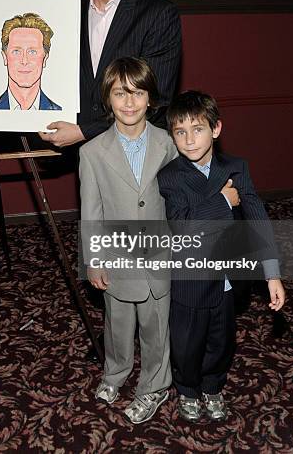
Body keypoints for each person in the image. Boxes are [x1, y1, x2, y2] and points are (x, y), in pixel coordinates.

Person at [158, 90, 285, 422]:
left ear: (216, 129)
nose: (189, 139)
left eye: (197, 129)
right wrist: (225, 202)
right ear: (172, 136)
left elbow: (258, 218)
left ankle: (213, 386)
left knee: (221, 340)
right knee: (186, 343)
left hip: (228, 279)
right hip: (190, 277)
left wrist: (271, 273)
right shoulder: (170, 176)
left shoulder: (236, 167)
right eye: (180, 132)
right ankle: (187, 389)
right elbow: (183, 226)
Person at [80, 57, 177, 424]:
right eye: (121, 93)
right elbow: (91, 211)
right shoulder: (92, 153)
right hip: (116, 258)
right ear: (108, 98)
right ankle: (115, 373)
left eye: (138, 93)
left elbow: (179, 199)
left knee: (156, 328)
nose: (130, 102)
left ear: (150, 98)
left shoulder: (168, 144)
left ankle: (154, 385)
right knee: (117, 325)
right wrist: (95, 258)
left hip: (157, 257)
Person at [39, 0, 182, 148]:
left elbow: (156, 101)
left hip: (133, 154)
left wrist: (85, 131)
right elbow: (44, 62)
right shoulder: (62, 8)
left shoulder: (159, 15)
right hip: (78, 154)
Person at [0, 13, 61, 111]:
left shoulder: (61, 113)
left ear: (45, 58)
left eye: (32, 51)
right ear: (4, 57)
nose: (24, 61)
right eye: (16, 51)